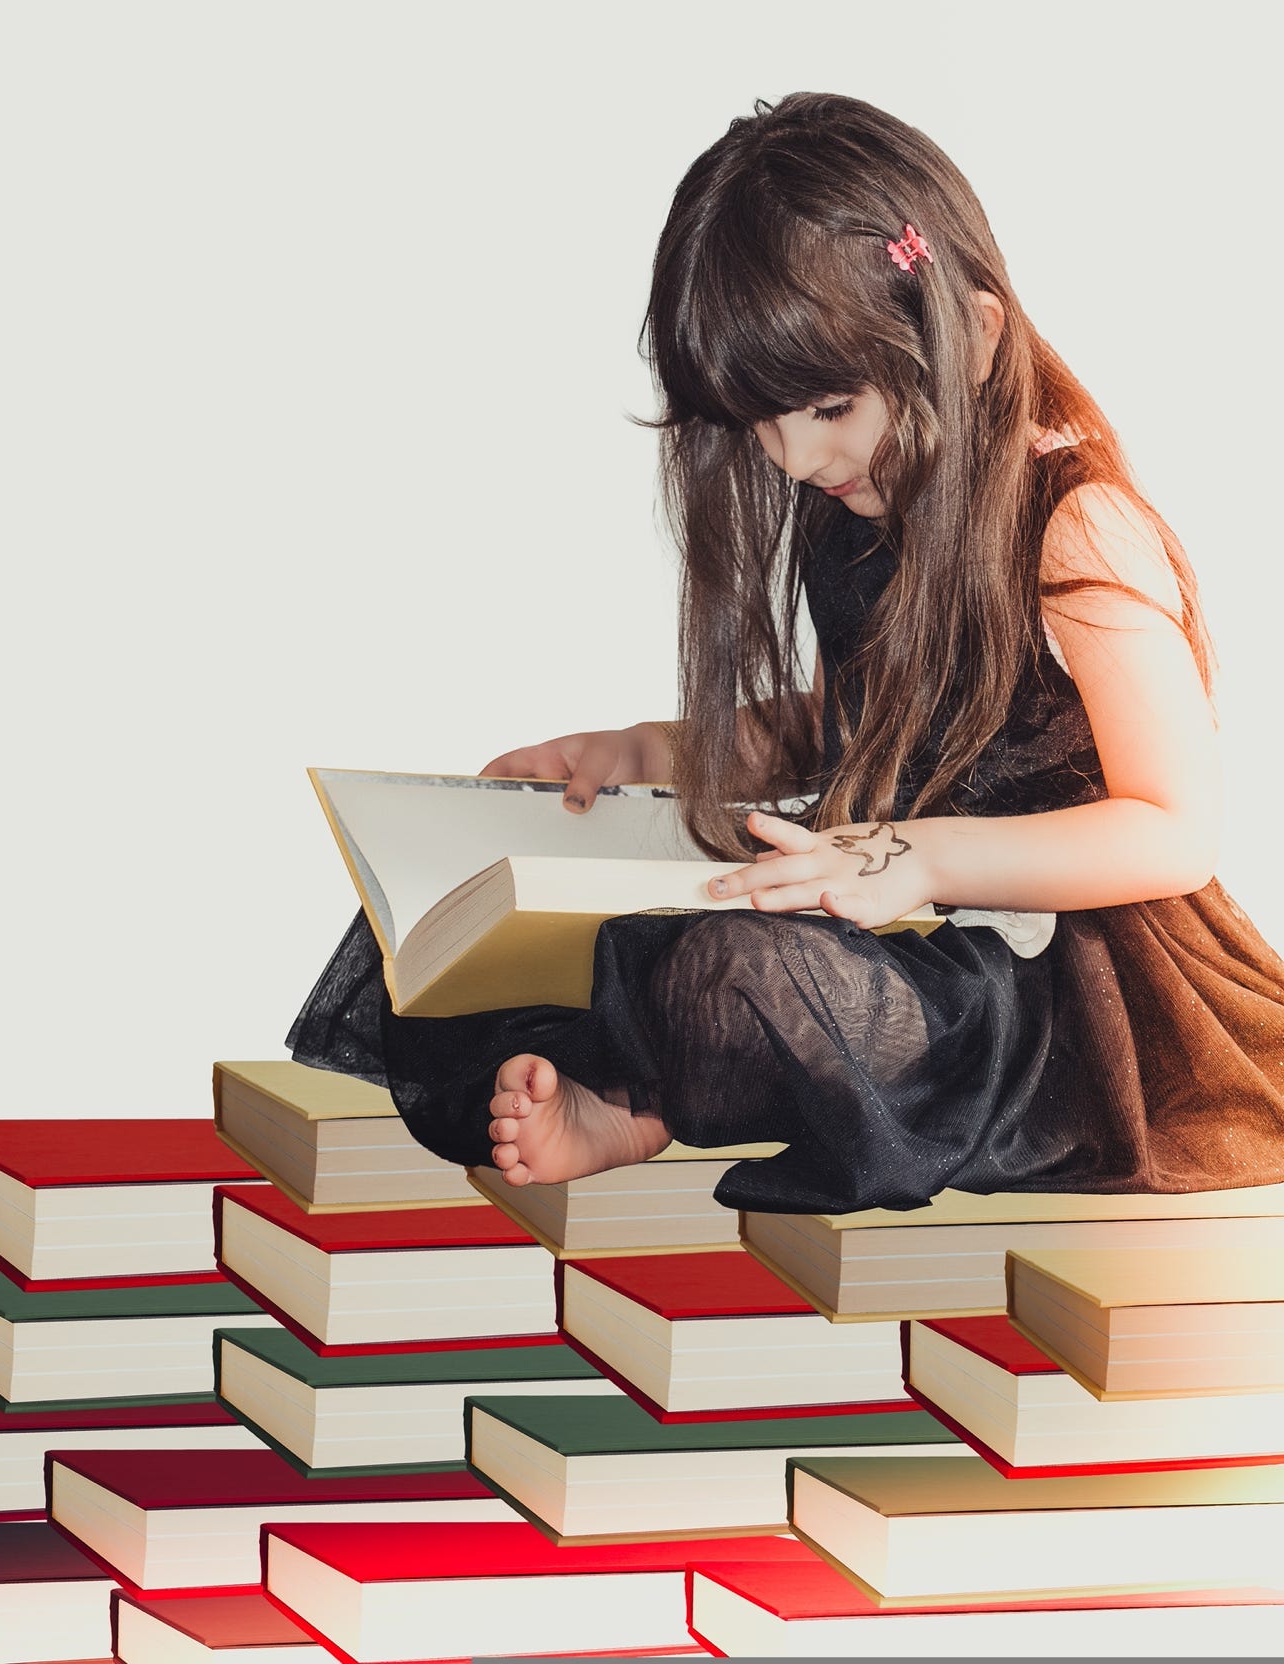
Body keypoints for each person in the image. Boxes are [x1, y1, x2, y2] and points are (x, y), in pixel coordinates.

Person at [287, 92, 1284, 1215]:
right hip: (902, 917)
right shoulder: (851, 509)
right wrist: (643, 748)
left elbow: (1172, 828)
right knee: (478, 922)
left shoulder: (1074, 521)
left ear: (975, 334)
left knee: (746, 972)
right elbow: (839, 723)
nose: (797, 455)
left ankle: (641, 1099)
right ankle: (633, 1087)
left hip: (1063, 985)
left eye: (826, 406)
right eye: (759, 422)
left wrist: (922, 858)